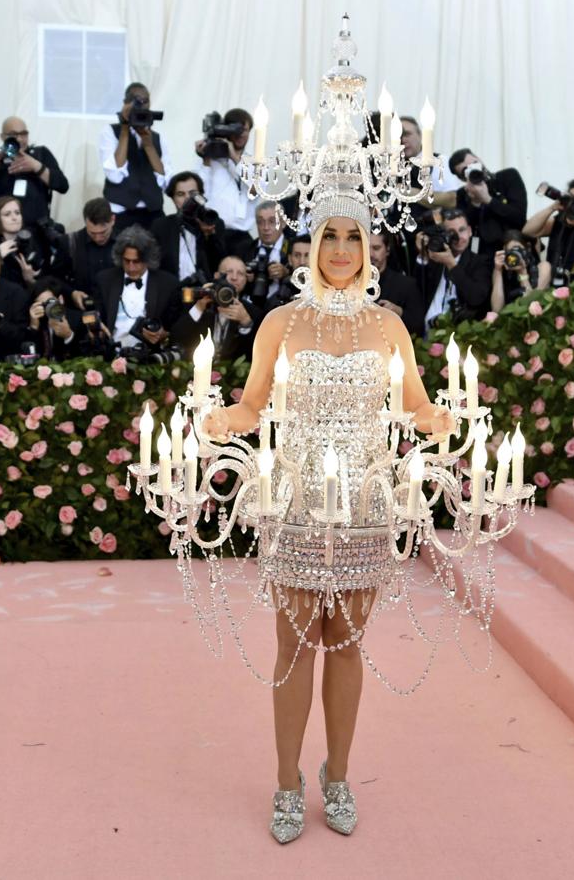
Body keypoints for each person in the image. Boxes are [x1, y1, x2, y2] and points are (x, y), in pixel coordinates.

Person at [200, 194, 454, 843]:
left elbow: (416, 404)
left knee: (345, 641)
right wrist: (222, 419)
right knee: (294, 644)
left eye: (353, 237)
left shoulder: (388, 326)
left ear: (368, 248)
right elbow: (252, 405)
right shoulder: (280, 322)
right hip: (296, 503)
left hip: (365, 504)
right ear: (312, 245)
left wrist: (441, 418)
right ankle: (287, 782)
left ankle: (336, 773)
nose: (341, 249)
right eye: (330, 236)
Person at [94, 225, 182, 352]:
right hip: (111, 354)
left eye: (136, 261)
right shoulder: (104, 280)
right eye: (127, 261)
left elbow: (175, 327)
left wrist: (162, 334)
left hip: (150, 356)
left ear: (148, 259)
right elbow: (97, 319)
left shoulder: (167, 284)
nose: (131, 267)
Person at [99, 82, 171, 233]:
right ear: (126, 102)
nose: (141, 105)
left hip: (152, 212)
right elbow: (114, 176)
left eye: (145, 101)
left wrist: (148, 144)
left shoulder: (158, 138)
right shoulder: (110, 132)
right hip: (120, 212)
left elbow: (165, 180)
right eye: (136, 100)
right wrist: (125, 127)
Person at [0, 117, 69, 225]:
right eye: (13, 135)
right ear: (2, 137)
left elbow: (63, 186)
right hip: (5, 230)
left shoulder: (41, 154)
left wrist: (36, 166)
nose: (19, 139)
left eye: (23, 134)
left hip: (38, 229)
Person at [170, 254, 262, 361]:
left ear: (246, 280)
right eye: (229, 272)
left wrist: (246, 323)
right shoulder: (198, 302)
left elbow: (255, 354)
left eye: (240, 274)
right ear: (217, 276)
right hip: (195, 367)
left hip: (233, 370)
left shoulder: (252, 312)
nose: (234, 277)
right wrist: (198, 309)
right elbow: (176, 338)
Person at [414, 209, 490, 331]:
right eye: (451, 232)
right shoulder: (434, 257)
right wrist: (423, 256)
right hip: (425, 329)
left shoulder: (480, 262)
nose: (458, 237)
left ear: (470, 231)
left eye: (462, 230)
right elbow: (417, 292)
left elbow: (476, 297)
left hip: (459, 331)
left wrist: (451, 264)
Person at [195, 107, 257, 256]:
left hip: (241, 237)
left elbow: (256, 188)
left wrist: (234, 156)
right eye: (236, 129)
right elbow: (199, 192)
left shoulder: (255, 162)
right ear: (225, 130)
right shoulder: (211, 159)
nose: (240, 134)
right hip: (213, 234)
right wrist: (205, 159)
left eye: (245, 130)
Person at [447, 148, 528, 262]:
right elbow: (465, 229)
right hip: (483, 256)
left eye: (475, 163)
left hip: (514, 247)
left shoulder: (507, 177)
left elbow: (519, 218)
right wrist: (475, 202)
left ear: (480, 159)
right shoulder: (463, 194)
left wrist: (488, 199)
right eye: (466, 169)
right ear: (462, 178)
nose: (474, 169)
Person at [150, 171, 228, 284]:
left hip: (205, 288)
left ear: (201, 196)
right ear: (173, 199)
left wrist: (209, 236)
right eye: (180, 194)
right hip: (172, 288)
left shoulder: (214, 222)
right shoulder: (161, 226)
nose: (188, 198)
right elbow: (154, 265)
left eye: (193, 194)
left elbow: (220, 264)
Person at [368, 229, 424, 335]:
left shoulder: (406, 285)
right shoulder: (348, 282)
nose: (370, 254)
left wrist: (399, 311)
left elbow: (419, 326)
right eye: (366, 249)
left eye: (376, 248)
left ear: (387, 250)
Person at [67, 198, 117, 306]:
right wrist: (72, 293)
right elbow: (54, 278)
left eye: (103, 232)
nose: (98, 238)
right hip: (81, 309)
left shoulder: (125, 242)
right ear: (85, 222)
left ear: (113, 220)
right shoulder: (71, 242)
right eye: (92, 233)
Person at [24, 277, 84, 359]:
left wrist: (68, 336)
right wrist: (33, 327)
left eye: (50, 302)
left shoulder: (78, 319)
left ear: (61, 299)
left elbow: (85, 355)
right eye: (42, 304)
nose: (47, 308)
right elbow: (28, 356)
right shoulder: (35, 320)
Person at [489, 231, 541, 312]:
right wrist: (498, 270)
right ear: (505, 251)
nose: (515, 255)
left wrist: (522, 273)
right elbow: (496, 309)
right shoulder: (501, 268)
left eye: (519, 250)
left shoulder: (538, 268)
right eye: (511, 251)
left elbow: (532, 307)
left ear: (527, 249)